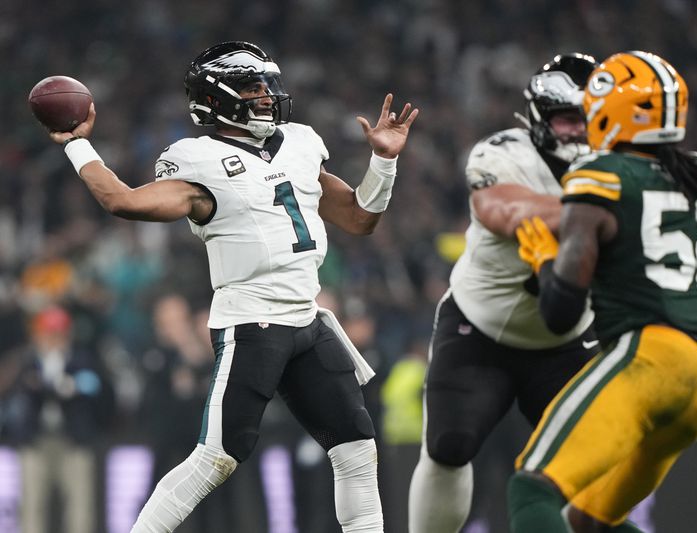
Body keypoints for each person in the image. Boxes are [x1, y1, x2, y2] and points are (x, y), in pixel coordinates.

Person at [43, 41, 418, 533]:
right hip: (253, 320)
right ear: (215, 99)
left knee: (356, 448)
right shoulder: (197, 160)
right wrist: (76, 142)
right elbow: (123, 201)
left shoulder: (301, 142)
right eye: (251, 86)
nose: (266, 95)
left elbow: (360, 217)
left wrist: (383, 163)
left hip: (308, 318)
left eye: (266, 84)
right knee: (217, 457)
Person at [510, 51, 697, 532]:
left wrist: (545, 258)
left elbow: (561, 311)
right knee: (592, 519)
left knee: (531, 488)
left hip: (647, 361)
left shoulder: (601, 176)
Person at [408, 53, 601, 533]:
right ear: (539, 119)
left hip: (566, 339)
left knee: (587, 468)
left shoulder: (620, 164)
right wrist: (606, 208)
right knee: (449, 445)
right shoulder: (500, 154)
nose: (579, 132)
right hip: (479, 330)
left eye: (590, 120)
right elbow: (502, 208)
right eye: (567, 119)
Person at [2, 306, 114, 533]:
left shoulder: (83, 360)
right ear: (37, 335)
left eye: (58, 333)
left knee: (80, 508)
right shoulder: (26, 361)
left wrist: (74, 385)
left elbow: (100, 389)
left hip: (73, 442)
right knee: (32, 507)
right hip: (37, 442)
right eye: (48, 333)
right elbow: (14, 394)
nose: (53, 340)